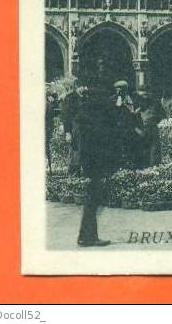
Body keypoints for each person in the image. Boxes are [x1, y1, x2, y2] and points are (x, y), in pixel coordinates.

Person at [74, 87, 121, 247]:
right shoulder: (94, 119)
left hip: (89, 162)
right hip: (94, 163)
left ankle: (87, 235)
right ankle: (88, 237)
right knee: (92, 199)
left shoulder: (84, 117)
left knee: (92, 199)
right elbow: (100, 141)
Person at [134, 86, 161, 168]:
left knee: (154, 152)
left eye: (146, 95)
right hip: (140, 130)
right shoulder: (136, 104)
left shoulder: (156, 103)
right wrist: (137, 130)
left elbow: (161, 116)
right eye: (142, 95)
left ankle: (154, 171)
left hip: (153, 129)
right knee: (142, 153)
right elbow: (131, 119)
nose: (144, 97)